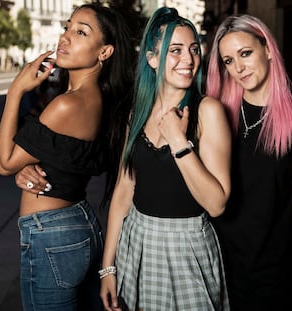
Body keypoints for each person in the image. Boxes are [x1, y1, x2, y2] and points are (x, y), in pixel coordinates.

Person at [0, 3, 133, 310]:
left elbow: (4, 163)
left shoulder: (68, 104)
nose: (66, 38)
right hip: (75, 223)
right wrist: (27, 165)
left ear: (105, 52)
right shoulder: (96, 100)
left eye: (81, 32)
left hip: (52, 234)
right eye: (67, 27)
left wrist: (15, 91)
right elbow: (63, 157)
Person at [99, 7, 232, 311]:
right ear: (151, 59)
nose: (188, 59)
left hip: (186, 247)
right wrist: (108, 268)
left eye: (194, 49)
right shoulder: (138, 113)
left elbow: (217, 203)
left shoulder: (207, 111)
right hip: (137, 242)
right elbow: (123, 192)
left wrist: (178, 142)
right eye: (175, 51)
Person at [206, 14, 292, 311]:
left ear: (268, 49)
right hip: (216, 255)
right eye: (229, 61)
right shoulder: (217, 113)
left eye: (245, 53)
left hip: (270, 266)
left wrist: (275, 240)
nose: (238, 67)